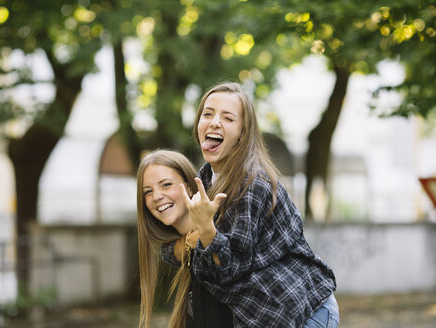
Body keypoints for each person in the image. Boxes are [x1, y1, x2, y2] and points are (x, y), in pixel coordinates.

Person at [162, 82, 339, 328]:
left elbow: (230, 269)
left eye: (228, 118)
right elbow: (177, 246)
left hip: (304, 312)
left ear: (242, 134)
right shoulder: (204, 180)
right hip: (264, 314)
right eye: (208, 113)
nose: (214, 122)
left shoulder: (252, 183)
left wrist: (203, 229)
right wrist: (182, 242)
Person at [136, 149, 232, 328]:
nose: (156, 196)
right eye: (147, 192)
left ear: (189, 186)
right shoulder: (180, 252)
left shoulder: (224, 235)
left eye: (165, 185)